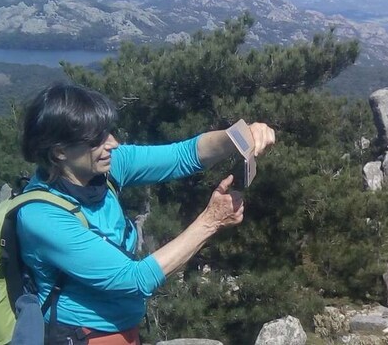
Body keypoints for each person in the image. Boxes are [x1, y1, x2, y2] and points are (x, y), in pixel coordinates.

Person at [16, 82, 275, 345]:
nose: (113, 144)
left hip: (123, 330)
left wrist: (242, 135)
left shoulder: (104, 170)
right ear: (59, 152)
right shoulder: (42, 217)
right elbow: (134, 278)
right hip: (81, 336)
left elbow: (184, 155)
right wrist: (211, 221)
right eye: (96, 140)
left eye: (108, 133)